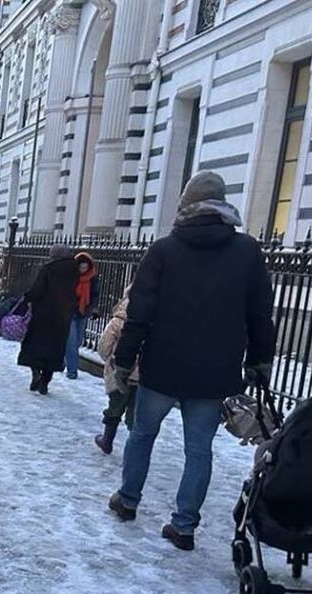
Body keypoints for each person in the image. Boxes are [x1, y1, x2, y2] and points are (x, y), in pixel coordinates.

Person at [107, 170, 275, 552]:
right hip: (214, 372)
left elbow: (140, 314)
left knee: (142, 435)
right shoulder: (247, 251)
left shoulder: (164, 250)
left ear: (185, 205)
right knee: (199, 450)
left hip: (163, 366)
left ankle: (128, 500)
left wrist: (124, 358)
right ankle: (184, 526)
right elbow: (260, 313)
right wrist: (260, 359)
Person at [16, 245, 80, 394]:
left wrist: (27, 298)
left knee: (35, 346)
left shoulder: (48, 269)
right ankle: (45, 381)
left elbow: (38, 289)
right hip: (63, 315)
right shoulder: (74, 271)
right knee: (54, 349)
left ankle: (36, 373)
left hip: (43, 314)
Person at [94, 289, 139, 454]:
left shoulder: (118, 320)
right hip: (143, 375)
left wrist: (109, 359)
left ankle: (107, 440)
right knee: (136, 413)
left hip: (119, 370)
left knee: (115, 406)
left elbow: (104, 345)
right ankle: (134, 447)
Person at [64, 252, 99, 379]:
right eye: (81, 267)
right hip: (70, 311)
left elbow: (95, 294)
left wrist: (94, 308)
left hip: (83, 311)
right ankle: (72, 371)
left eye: (85, 267)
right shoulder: (71, 277)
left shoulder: (92, 277)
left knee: (78, 341)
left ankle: (64, 359)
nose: (83, 270)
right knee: (72, 342)